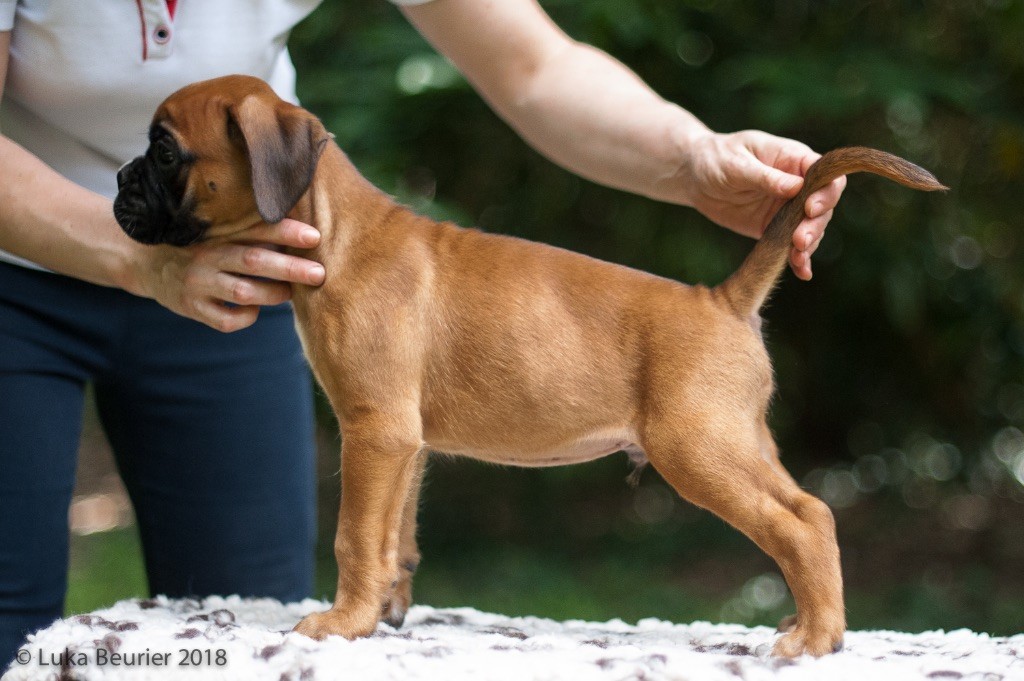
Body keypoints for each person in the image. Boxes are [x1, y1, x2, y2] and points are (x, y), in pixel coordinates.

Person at [0, 0, 845, 669]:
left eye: (167, 157)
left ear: (271, 165)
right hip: (19, 278)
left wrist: (692, 154)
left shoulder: (360, 276)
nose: (145, 173)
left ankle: (820, 615)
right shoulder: (349, 272)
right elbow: (393, 427)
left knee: (249, 618)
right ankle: (378, 586)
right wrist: (140, 257)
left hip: (237, 293)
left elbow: (534, 63)